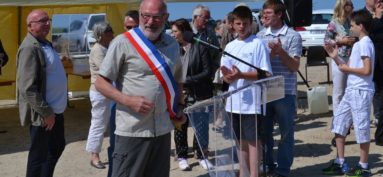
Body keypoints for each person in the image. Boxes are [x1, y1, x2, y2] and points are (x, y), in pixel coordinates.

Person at [94, 0, 186, 176]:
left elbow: (177, 81)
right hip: (132, 131)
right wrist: (127, 100)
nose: (150, 22)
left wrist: (178, 108)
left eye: (156, 17)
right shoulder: (122, 42)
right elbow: (100, 83)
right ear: (140, 14)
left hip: (162, 130)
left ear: (166, 17)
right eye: (146, 16)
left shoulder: (172, 45)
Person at [221, 5, 272, 177]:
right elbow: (225, 75)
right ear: (232, 25)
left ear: (251, 24)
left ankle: (254, 174)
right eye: (238, 23)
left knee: (253, 141)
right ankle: (243, 172)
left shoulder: (258, 44)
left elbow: (265, 73)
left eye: (245, 23)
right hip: (233, 102)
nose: (241, 27)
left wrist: (242, 74)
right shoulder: (229, 46)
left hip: (252, 103)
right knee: (239, 141)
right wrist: (227, 77)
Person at [323, 10, 374, 177]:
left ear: (361, 26)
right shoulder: (359, 44)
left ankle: (364, 165)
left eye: (352, 25)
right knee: (339, 123)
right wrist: (335, 57)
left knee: (361, 127)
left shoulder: (365, 42)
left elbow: (367, 70)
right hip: (352, 90)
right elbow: (349, 67)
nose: (350, 28)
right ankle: (340, 161)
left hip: (361, 90)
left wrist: (347, 68)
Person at [16, 9, 67, 177]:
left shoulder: (44, 43)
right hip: (44, 114)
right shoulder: (29, 48)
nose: (47, 24)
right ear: (30, 26)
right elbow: (27, 88)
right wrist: (46, 112)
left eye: (48, 20)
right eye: (42, 21)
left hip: (55, 110)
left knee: (56, 147)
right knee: (39, 156)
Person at [256, 0, 302, 176]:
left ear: (279, 14)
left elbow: (295, 66)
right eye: (263, 13)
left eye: (268, 13)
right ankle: (268, 167)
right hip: (265, 89)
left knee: (286, 133)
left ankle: (283, 171)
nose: (264, 16)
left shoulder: (292, 36)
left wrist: (281, 52)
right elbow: (257, 65)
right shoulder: (260, 36)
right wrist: (270, 54)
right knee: (265, 133)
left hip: (285, 90)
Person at [170, 18, 214, 171]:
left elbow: (208, 71)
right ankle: (182, 156)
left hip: (199, 93)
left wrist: (187, 80)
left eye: (175, 31)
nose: (173, 34)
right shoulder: (173, 49)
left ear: (184, 31)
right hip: (180, 95)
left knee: (201, 126)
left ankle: (201, 154)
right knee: (180, 126)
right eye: (172, 31)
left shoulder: (199, 47)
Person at [106, 8, 140, 177]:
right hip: (120, 108)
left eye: (134, 27)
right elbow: (103, 81)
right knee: (117, 149)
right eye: (127, 27)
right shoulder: (118, 43)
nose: (130, 31)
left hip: (143, 111)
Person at [324, 0, 355, 148]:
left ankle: (347, 126)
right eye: (348, 3)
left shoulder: (352, 21)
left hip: (353, 60)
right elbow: (326, 41)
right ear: (342, 6)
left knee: (351, 92)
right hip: (339, 60)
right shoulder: (333, 23)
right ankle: (338, 129)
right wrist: (341, 40)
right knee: (338, 94)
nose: (351, 6)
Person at [86, 22, 114, 169]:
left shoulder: (107, 47)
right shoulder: (98, 50)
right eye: (109, 31)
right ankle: (94, 155)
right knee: (99, 124)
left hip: (108, 90)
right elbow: (107, 70)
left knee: (107, 123)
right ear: (101, 34)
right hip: (100, 92)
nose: (112, 33)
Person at [191, 4, 221, 76]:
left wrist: (212, 71)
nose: (207, 20)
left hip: (205, 77)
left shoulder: (211, 35)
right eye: (205, 18)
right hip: (188, 77)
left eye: (209, 18)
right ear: (195, 17)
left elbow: (217, 54)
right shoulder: (186, 32)